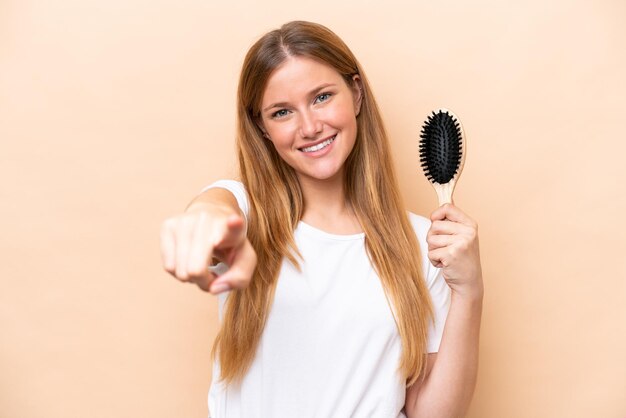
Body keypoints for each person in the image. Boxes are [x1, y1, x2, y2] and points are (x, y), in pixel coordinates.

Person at [160, 20, 483, 418]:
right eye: (282, 112)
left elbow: (433, 414)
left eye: (322, 97)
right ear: (261, 127)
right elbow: (213, 211)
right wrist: (202, 226)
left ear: (357, 93)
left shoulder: (424, 244)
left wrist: (469, 291)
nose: (310, 127)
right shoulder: (246, 212)